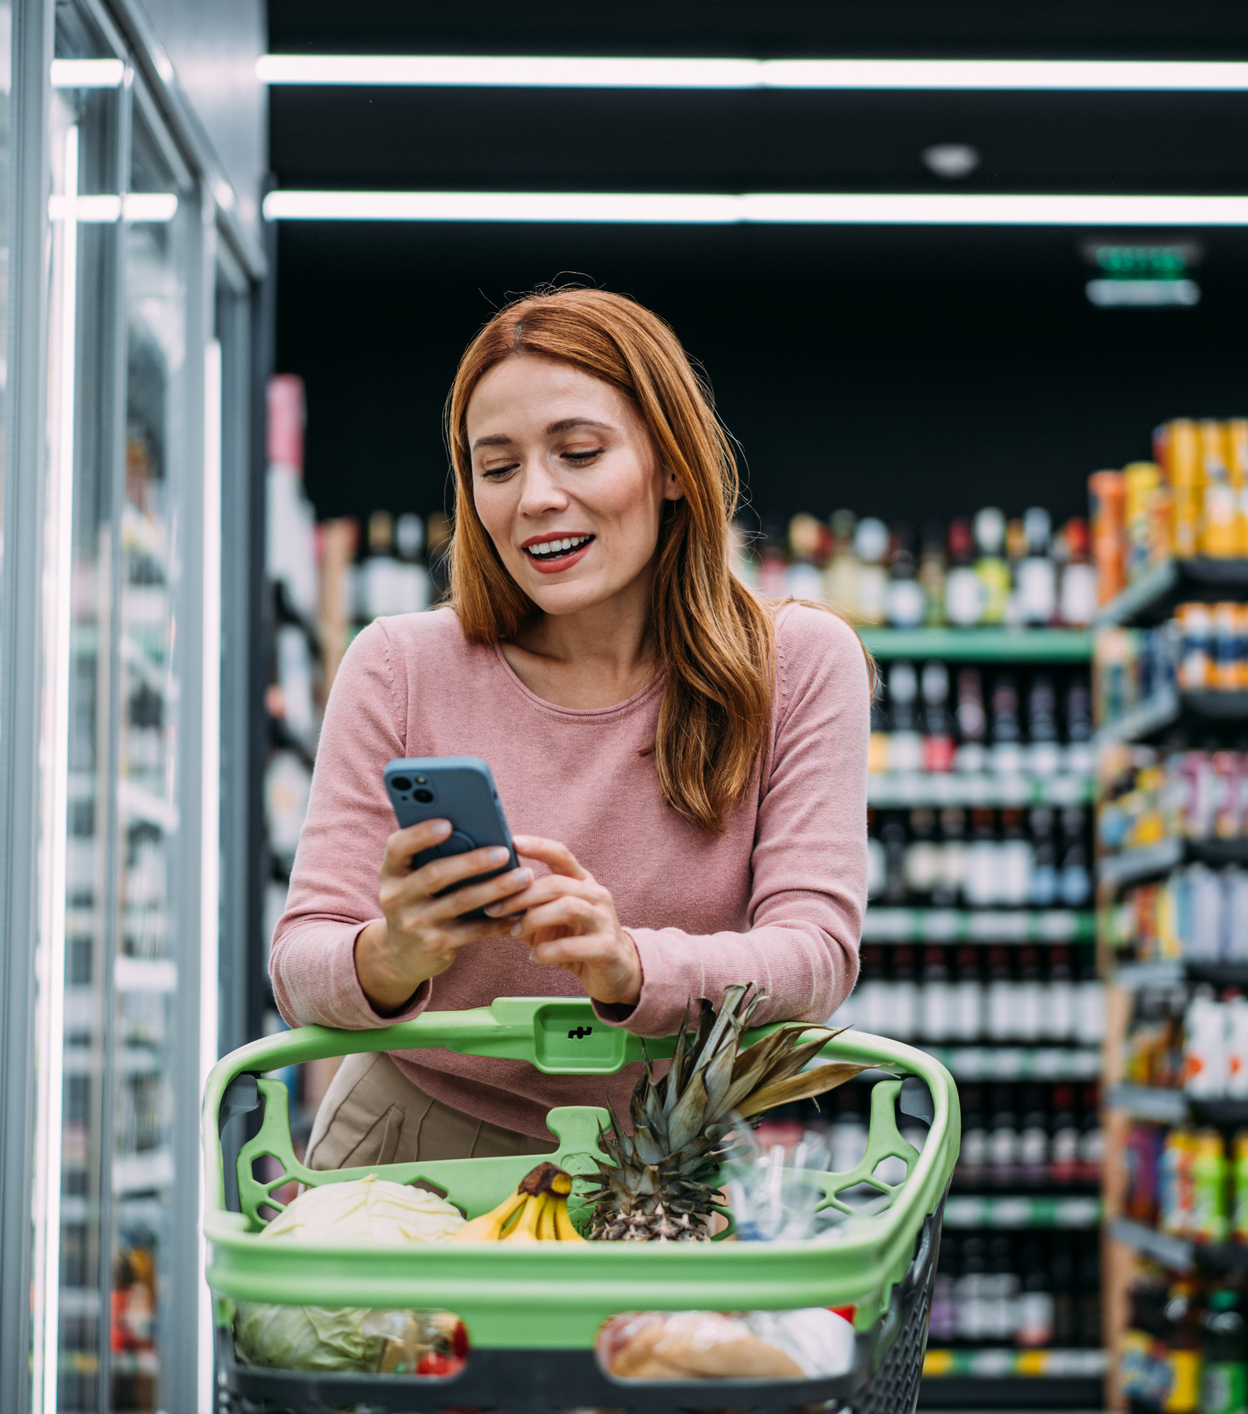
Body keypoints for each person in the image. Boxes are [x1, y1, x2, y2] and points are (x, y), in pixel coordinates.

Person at [270, 286, 871, 1168]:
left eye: (579, 453)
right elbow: (297, 963)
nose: (536, 498)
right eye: (498, 467)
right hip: (408, 1149)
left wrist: (630, 965)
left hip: (662, 1166)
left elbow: (814, 956)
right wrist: (390, 956)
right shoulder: (399, 664)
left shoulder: (798, 665)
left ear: (672, 466)